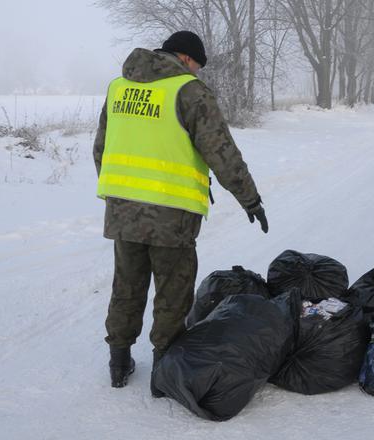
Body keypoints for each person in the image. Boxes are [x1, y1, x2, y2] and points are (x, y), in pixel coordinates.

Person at [92, 31, 268, 395]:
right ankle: (164, 369)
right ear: (186, 58)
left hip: (123, 210)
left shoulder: (118, 88)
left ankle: (118, 361)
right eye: (197, 66)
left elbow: (101, 148)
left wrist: (120, 195)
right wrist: (250, 198)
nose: (197, 74)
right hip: (171, 215)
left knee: (127, 285)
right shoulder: (189, 91)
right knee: (173, 291)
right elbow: (222, 152)